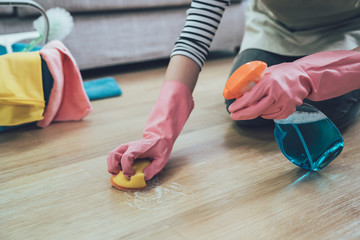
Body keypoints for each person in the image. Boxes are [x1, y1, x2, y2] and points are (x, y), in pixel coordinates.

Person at [107, 0, 360, 181]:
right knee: (244, 102)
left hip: (347, 34)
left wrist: (308, 74)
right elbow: (195, 37)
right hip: (277, 29)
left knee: (328, 107)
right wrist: (160, 132)